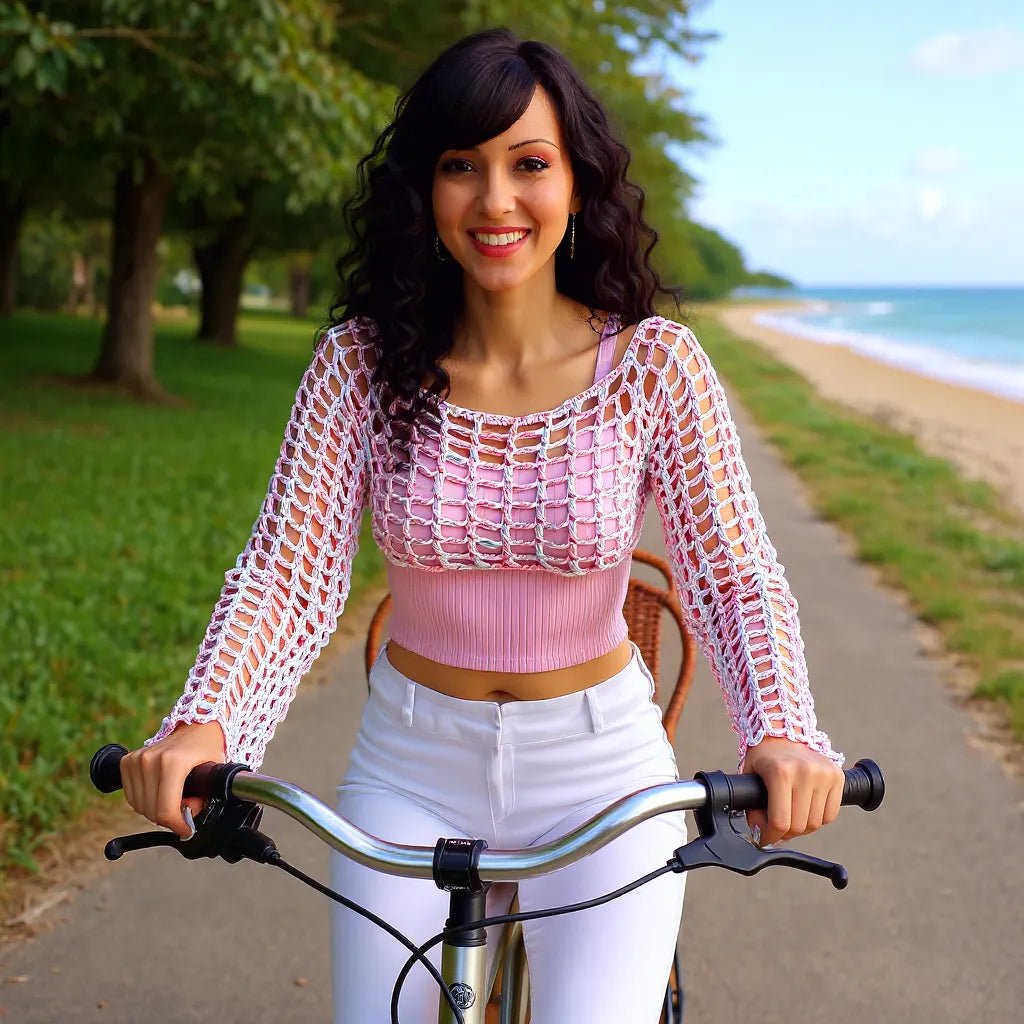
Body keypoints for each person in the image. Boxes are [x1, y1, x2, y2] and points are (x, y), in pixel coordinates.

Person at [119, 27, 845, 1024]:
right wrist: (206, 721)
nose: (496, 200)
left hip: (600, 773)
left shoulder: (654, 367)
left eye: (529, 164)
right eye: (462, 166)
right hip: (410, 766)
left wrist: (783, 730)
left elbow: (732, 575)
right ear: (426, 190)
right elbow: (289, 573)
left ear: (577, 184)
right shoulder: (358, 367)